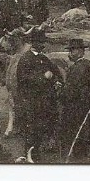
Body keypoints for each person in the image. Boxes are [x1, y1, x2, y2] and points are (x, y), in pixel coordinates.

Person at [15, 30, 62, 160]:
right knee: (31, 131)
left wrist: (57, 81)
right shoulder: (25, 59)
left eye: (43, 42)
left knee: (40, 130)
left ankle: (36, 155)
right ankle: (30, 156)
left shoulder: (44, 58)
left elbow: (55, 72)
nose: (43, 45)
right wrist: (43, 77)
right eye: (41, 42)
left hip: (43, 102)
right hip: (30, 102)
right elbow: (24, 80)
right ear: (34, 43)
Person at [60, 38, 90, 161]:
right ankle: (81, 152)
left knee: (76, 128)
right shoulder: (86, 64)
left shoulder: (79, 67)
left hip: (76, 103)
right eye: (70, 50)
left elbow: (71, 89)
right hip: (84, 102)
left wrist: (61, 93)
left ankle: (78, 154)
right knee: (82, 127)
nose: (70, 53)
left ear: (81, 51)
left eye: (73, 50)